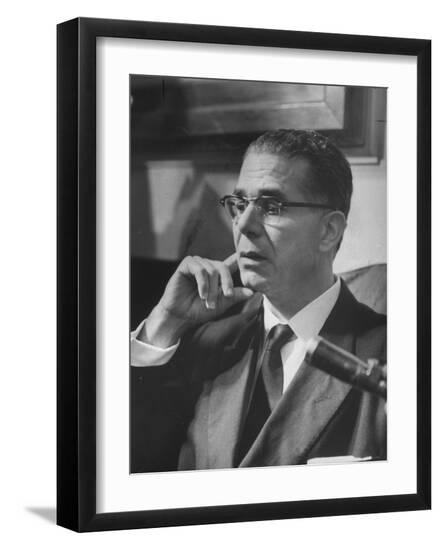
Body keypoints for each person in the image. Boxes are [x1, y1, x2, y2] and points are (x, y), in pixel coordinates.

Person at [130, 129, 387, 472]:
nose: (244, 225)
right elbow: (133, 467)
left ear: (328, 231)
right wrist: (165, 322)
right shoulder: (208, 340)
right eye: (239, 205)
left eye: (270, 206)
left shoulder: (391, 356)